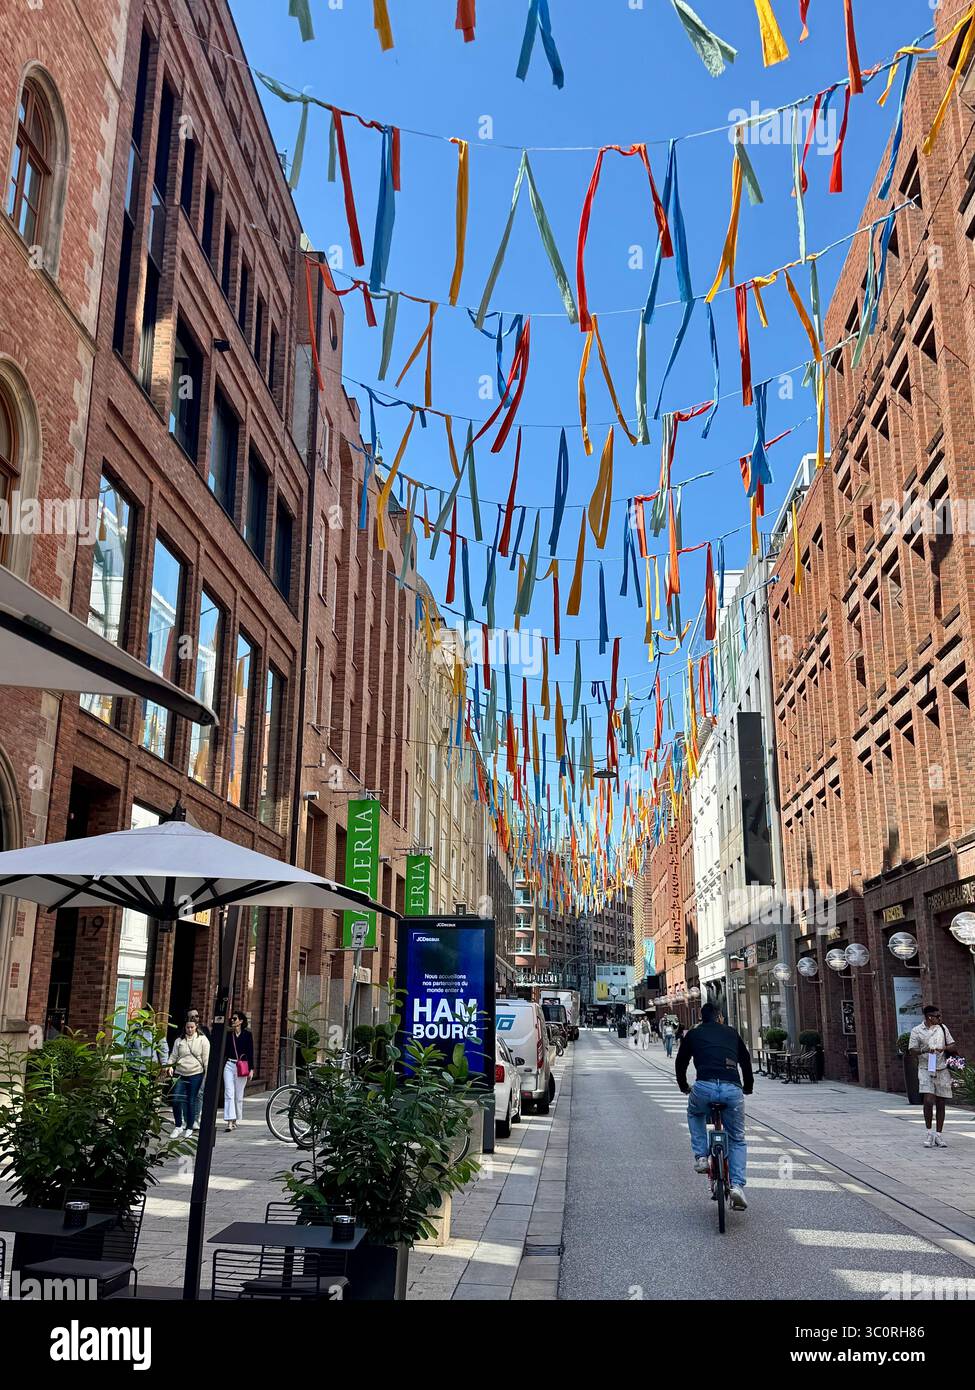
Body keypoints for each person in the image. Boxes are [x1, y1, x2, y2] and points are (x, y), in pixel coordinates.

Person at [675, 1002, 753, 1211]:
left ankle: (701, 1157)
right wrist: (748, 1087)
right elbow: (745, 1061)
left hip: (704, 1088)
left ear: (702, 1018)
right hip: (731, 1089)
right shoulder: (731, 1032)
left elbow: (681, 1062)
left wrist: (684, 1087)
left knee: (695, 1113)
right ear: (719, 1017)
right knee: (737, 1138)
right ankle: (737, 1185)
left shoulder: (693, 1034)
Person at [909, 1004, 955, 1148]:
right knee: (928, 1100)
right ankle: (929, 1133)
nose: (940, 1018)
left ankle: (939, 1135)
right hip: (925, 1068)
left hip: (942, 1068)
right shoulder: (917, 1031)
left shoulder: (943, 1028)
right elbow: (912, 1050)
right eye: (937, 1016)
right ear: (929, 1017)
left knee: (941, 1102)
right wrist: (925, 1049)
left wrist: (944, 1048)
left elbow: (953, 1046)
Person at [167, 1017, 209, 1139]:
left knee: (191, 1100)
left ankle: (189, 1127)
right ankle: (178, 1125)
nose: (190, 1029)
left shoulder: (202, 1040)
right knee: (175, 1099)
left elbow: (206, 1059)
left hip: (196, 1073)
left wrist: (206, 1075)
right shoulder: (179, 1041)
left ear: (196, 1027)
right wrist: (169, 1066)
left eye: (192, 1027)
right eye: (187, 1027)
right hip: (180, 1072)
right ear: (184, 1028)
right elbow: (173, 1056)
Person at [223, 1009, 255, 1132]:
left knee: (238, 1095)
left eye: (235, 1019)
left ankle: (235, 1119)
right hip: (229, 1065)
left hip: (242, 1067)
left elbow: (250, 1052)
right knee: (229, 1093)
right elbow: (224, 1052)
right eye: (232, 1019)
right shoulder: (228, 1035)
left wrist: (251, 1069)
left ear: (241, 1021)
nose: (232, 1020)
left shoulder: (247, 1035)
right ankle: (230, 1122)